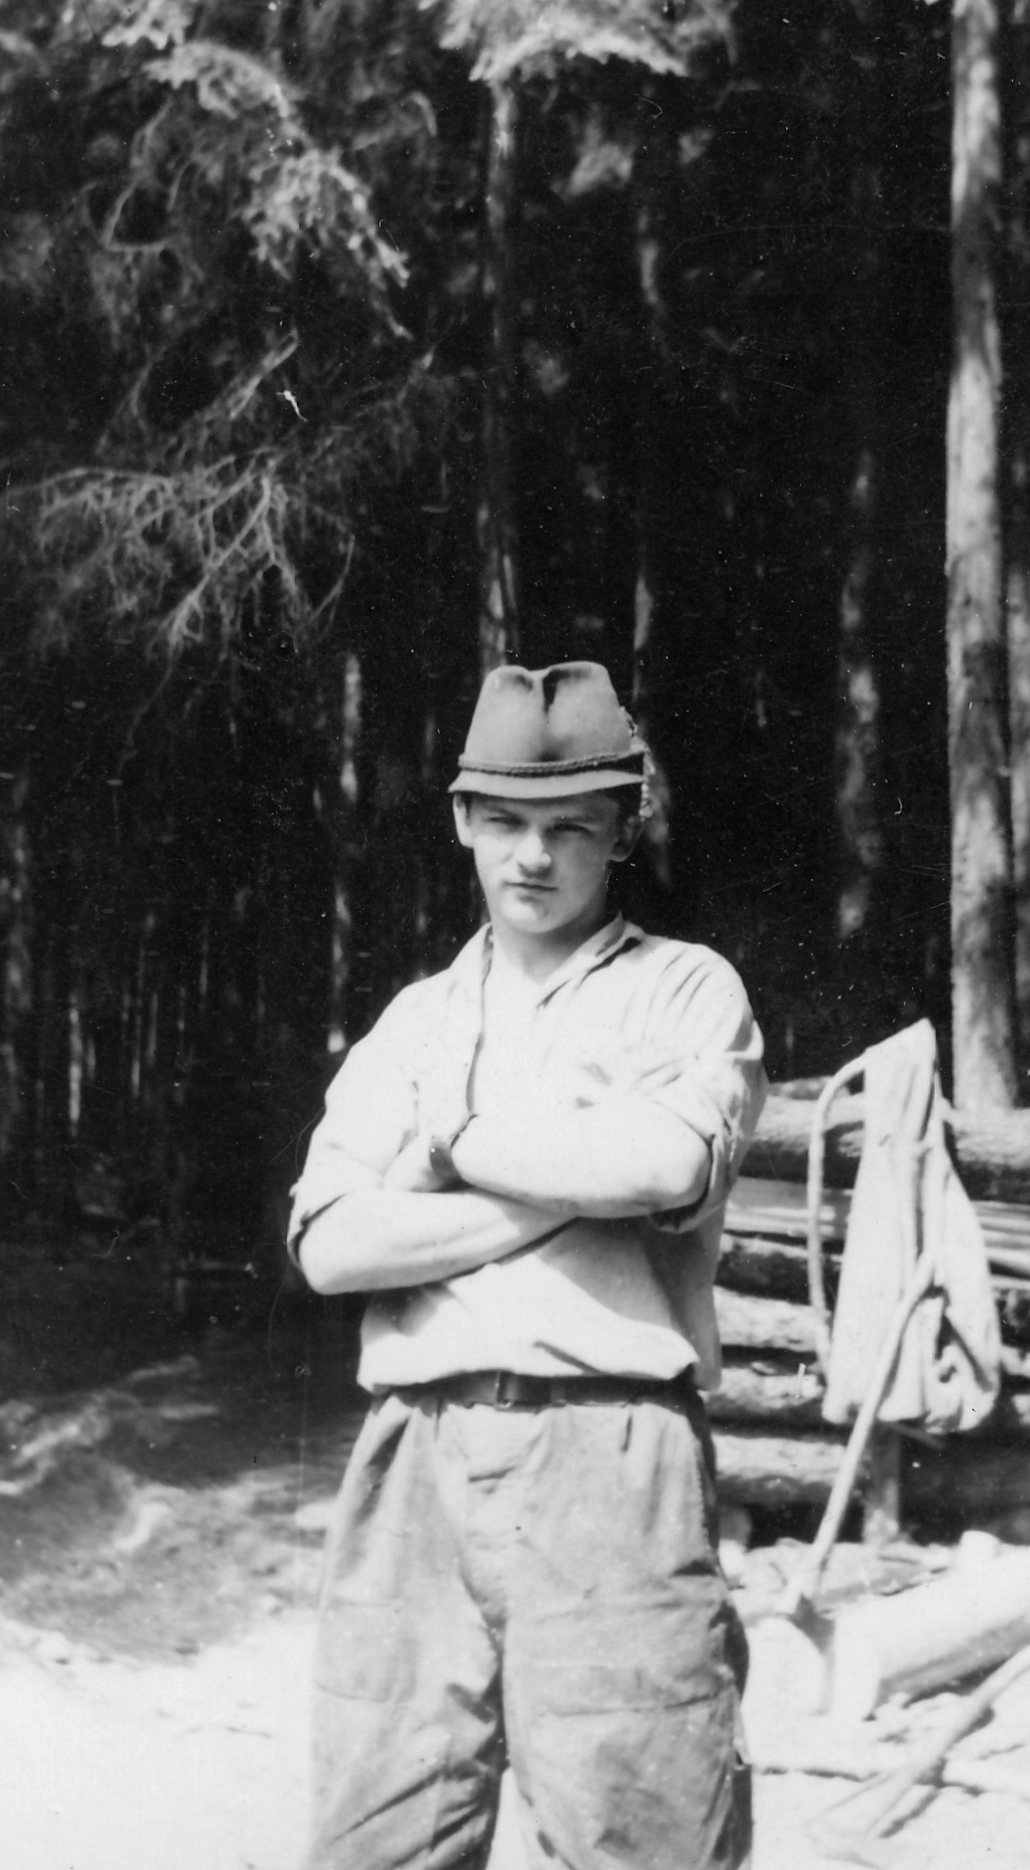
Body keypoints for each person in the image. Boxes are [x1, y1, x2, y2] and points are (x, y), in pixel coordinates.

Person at [289, 661, 767, 1870]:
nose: (533, 856)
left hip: (612, 1453)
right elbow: (332, 1244)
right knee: (380, 1830)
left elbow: (660, 1162)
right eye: (503, 820)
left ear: (622, 834)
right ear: (462, 819)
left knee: (643, 1825)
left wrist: (451, 1146)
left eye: (571, 827)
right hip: (415, 1456)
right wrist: (560, 1186)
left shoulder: (682, 989)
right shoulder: (415, 1019)